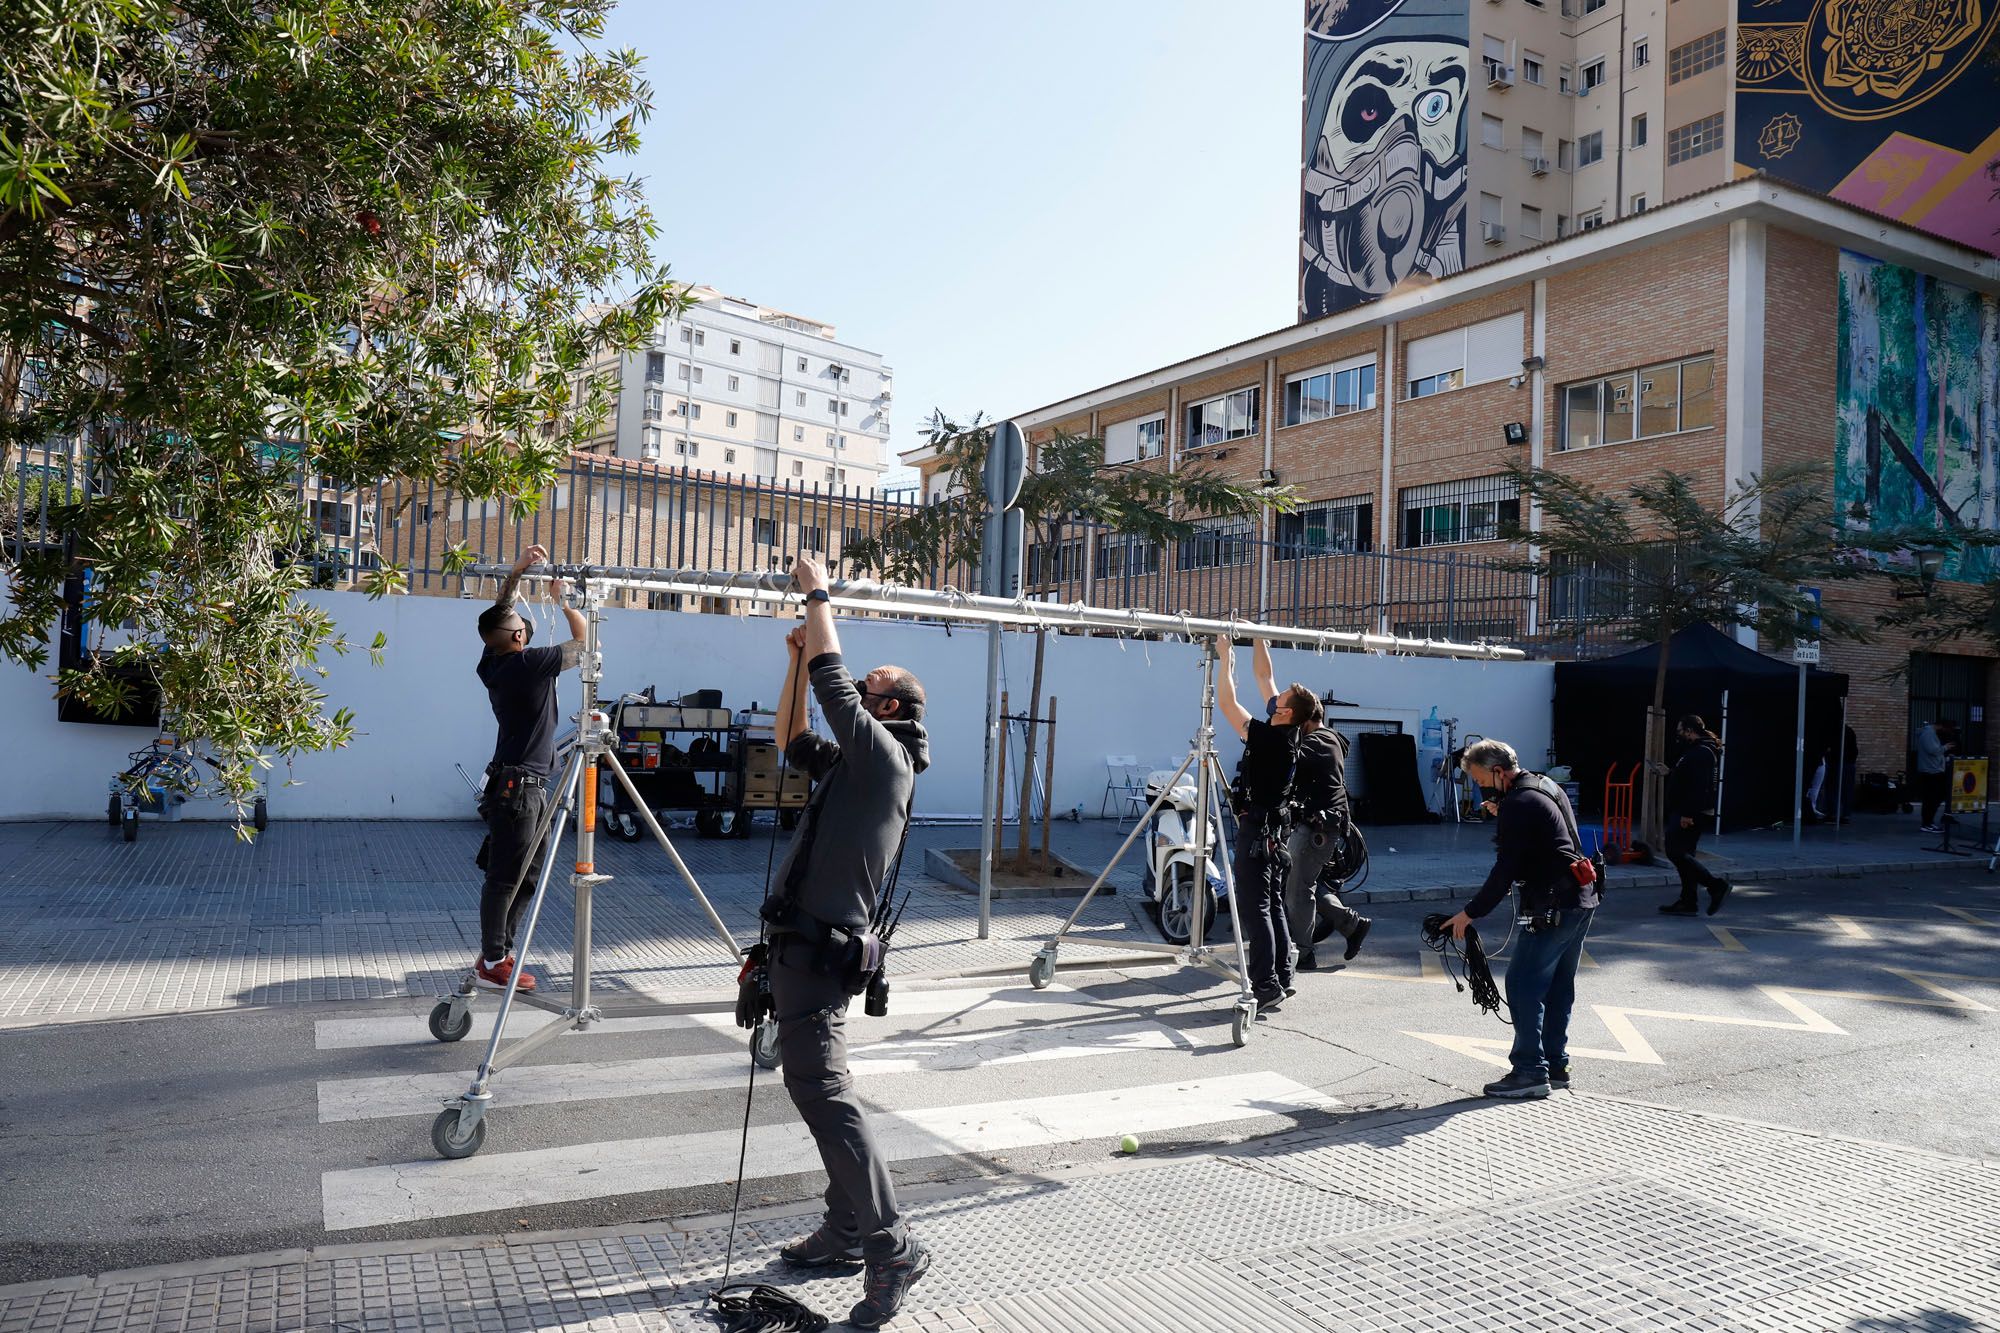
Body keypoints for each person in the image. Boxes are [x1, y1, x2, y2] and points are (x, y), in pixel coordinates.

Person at [765, 555, 932, 1330]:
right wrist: (797, 657)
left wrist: (819, 591)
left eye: (870, 685)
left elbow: (836, 690)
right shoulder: (856, 764)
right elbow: (792, 733)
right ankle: (842, 1229)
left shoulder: (884, 757)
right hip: (803, 945)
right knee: (826, 1088)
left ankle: (890, 1244)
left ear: (888, 703)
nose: (856, 686)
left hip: (820, 949)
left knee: (823, 1091)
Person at [1441, 739, 1600, 1100]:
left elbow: (1505, 869)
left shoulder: (1519, 803)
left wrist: (1470, 912)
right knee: (1559, 984)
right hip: (1580, 896)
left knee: (1523, 982)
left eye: (1481, 779)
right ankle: (1556, 1065)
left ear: (1498, 772)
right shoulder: (1544, 786)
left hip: (1553, 904)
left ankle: (1529, 1070)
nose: (1479, 786)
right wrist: (1506, 811)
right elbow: (1551, 835)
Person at [471, 544, 585, 994]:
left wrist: (516, 575)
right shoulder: (530, 664)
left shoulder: (491, 662)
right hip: (521, 788)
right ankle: (493, 959)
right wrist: (565, 602)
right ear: (518, 637)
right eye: (520, 622)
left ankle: (499, 951)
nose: (524, 620)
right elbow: (584, 644)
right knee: (506, 877)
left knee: (526, 875)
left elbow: (500, 612)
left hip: (519, 784)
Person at [1239, 651, 1370, 971]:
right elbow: (1268, 685)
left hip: (1318, 828)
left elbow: (1285, 755)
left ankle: (1303, 952)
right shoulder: (1327, 738)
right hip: (1317, 825)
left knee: (1297, 889)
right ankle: (1351, 924)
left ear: (1307, 720)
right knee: (1302, 882)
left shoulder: (1318, 742)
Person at [1215, 635, 1317, 1013]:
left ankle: (1266, 985)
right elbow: (1264, 676)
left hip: (1260, 826)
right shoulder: (1288, 729)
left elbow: (1227, 703)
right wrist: (1257, 637)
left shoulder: (1269, 738)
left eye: (1282, 699)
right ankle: (1282, 979)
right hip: (1277, 826)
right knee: (1272, 903)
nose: (1276, 698)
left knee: (1255, 906)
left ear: (1287, 712)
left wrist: (1224, 657)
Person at [1659, 714, 1730, 916]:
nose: (1679, 734)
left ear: (1690, 731)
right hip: (1686, 810)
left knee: (1675, 851)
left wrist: (1687, 814)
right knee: (1685, 856)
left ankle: (1716, 885)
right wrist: (1670, 772)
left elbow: (1699, 788)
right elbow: (1688, 778)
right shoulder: (1697, 751)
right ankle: (1688, 901)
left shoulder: (1702, 753)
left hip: (1689, 812)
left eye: (1681, 730)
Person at [1915, 718, 1952, 833]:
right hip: (1931, 771)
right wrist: (1945, 747)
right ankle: (1926, 823)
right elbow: (1932, 750)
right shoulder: (1929, 733)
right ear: (1941, 726)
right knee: (1931, 798)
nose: (1945, 731)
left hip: (1934, 770)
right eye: (1945, 729)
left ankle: (1929, 822)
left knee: (1935, 797)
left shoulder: (1930, 733)